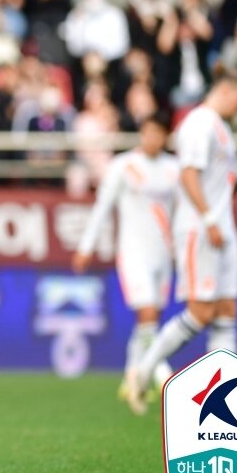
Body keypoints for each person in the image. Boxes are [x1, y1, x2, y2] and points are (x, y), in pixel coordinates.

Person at [126, 67, 237, 415]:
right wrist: (210, 218)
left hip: (222, 227)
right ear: (228, 90)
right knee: (201, 310)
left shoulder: (221, 126)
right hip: (201, 227)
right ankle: (144, 369)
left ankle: (225, 392)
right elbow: (188, 174)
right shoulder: (200, 123)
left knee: (227, 309)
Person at [72, 114, 178, 401]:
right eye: (148, 132)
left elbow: (181, 214)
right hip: (133, 253)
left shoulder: (173, 169)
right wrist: (86, 246)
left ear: (165, 137)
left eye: (158, 133)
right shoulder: (123, 166)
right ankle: (162, 375)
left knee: (149, 319)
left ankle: (132, 377)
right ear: (141, 134)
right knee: (146, 313)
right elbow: (102, 207)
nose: (152, 139)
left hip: (163, 254)